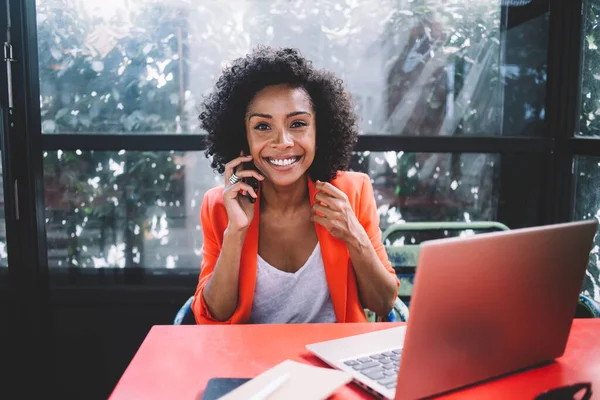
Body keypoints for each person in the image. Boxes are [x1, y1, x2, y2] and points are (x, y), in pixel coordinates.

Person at [192, 46, 399, 324]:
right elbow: (216, 314)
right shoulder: (219, 205)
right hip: (253, 363)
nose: (283, 142)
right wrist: (236, 232)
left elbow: (382, 302)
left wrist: (354, 236)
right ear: (243, 138)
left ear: (319, 132)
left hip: (332, 359)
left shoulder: (352, 192)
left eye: (298, 123)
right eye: (263, 127)